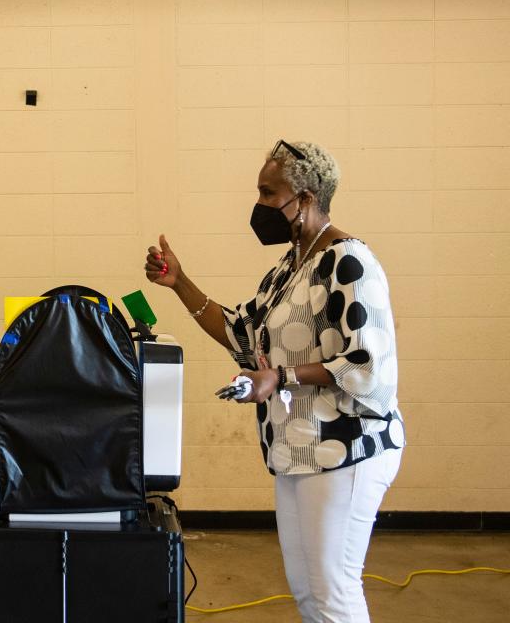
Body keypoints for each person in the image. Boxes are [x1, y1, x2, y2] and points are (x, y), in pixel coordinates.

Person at [144, 140, 404, 623]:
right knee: (307, 592)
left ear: (304, 199)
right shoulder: (289, 269)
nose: (259, 205)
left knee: (334, 591)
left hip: (347, 448)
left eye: (268, 193)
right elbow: (239, 332)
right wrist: (178, 281)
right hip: (298, 451)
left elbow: (369, 366)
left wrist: (280, 377)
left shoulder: (348, 262)